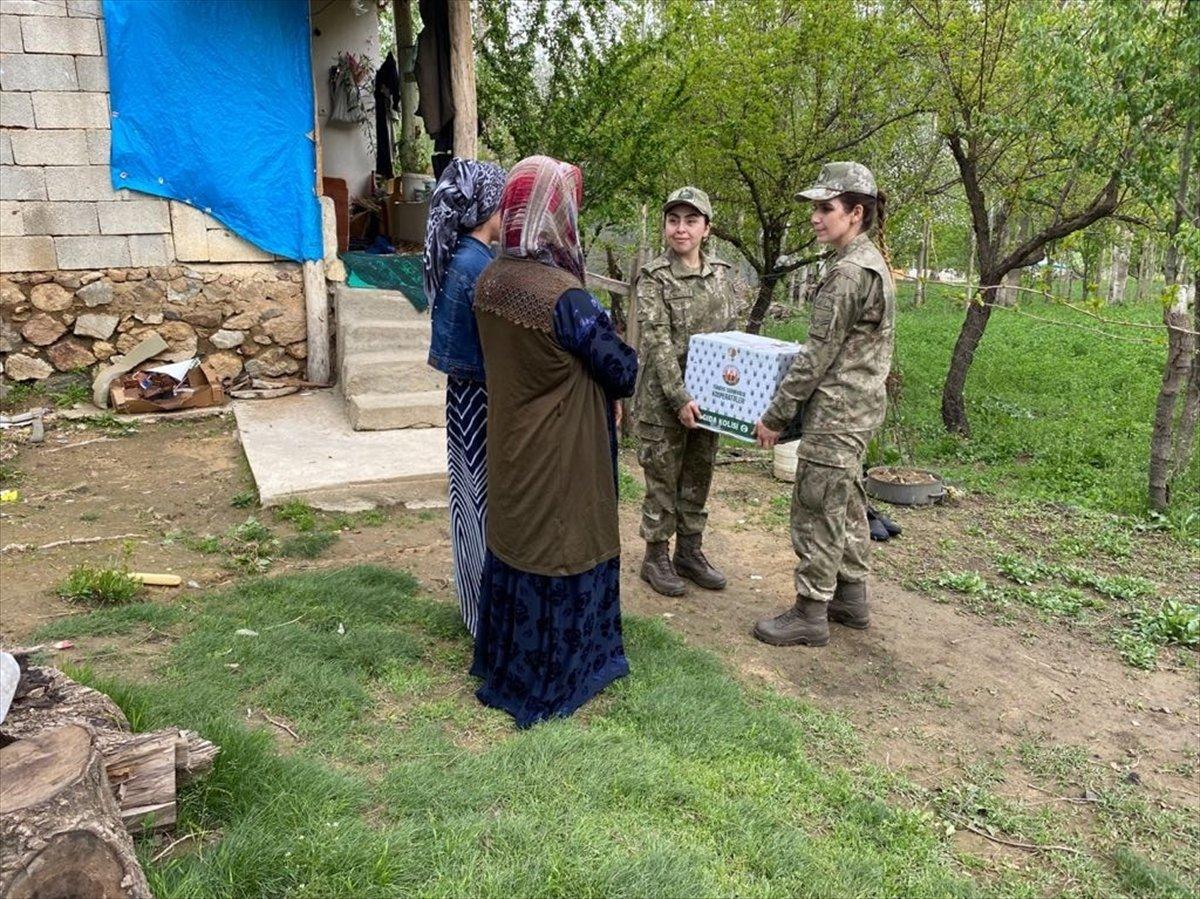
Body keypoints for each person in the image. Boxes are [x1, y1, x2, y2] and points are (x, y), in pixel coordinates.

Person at [469, 155, 639, 728]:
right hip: (563, 454)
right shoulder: (566, 299)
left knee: (519, 541)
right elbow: (623, 371)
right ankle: (564, 676)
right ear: (557, 213)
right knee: (562, 544)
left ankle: (504, 666)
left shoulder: (489, 280)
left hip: (512, 448)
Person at [751, 161, 895, 648]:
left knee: (816, 509)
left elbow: (816, 357)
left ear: (855, 213)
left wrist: (775, 415)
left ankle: (810, 611)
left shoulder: (849, 274)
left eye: (825, 208)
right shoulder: (870, 262)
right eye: (814, 207)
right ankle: (851, 599)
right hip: (858, 407)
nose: (815, 217)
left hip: (836, 412)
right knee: (847, 502)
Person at [634, 186, 739, 597]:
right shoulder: (654, 277)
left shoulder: (722, 275)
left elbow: (732, 339)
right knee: (662, 480)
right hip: (664, 402)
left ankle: (689, 552)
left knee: (698, 476)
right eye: (674, 220)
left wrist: (735, 396)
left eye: (691, 221)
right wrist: (680, 399)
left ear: (706, 229)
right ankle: (655, 556)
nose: (681, 229)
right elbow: (657, 342)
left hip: (710, 400)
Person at [425, 157, 508, 638]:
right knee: (481, 502)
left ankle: (473, 609)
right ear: (489, 206)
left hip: (462, 399)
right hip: (479, 399)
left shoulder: (456, 256)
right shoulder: (477, 267)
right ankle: (483, 615)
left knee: (466, 502)